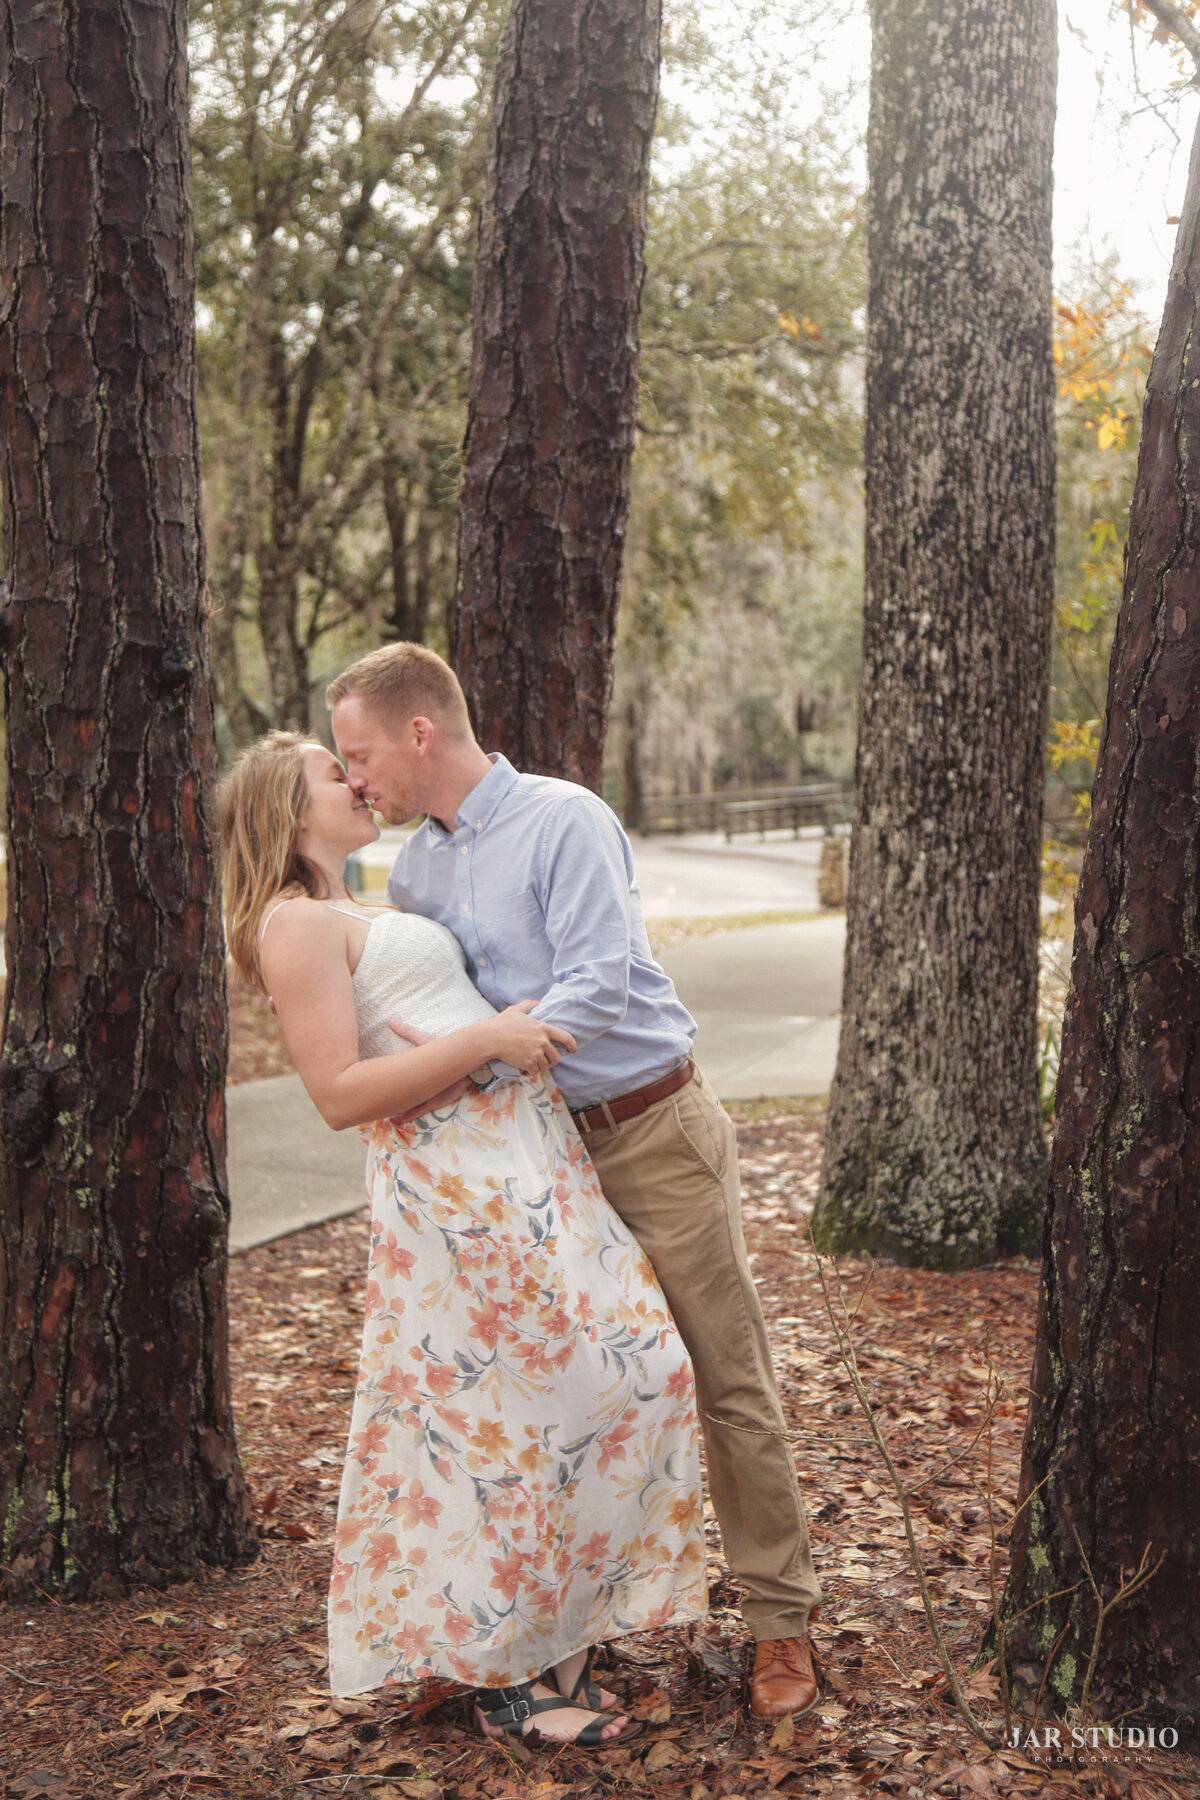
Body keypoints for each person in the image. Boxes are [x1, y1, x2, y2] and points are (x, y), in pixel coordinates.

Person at [327, 643, 824, 1721]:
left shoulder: (564, 819)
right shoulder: (416, 870)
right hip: (536, 1161)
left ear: (421, 731)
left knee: (721, 1375)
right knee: (574, 1393)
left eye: (359, 755)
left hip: (651, 1131)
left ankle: (782, 1624)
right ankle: (575, 1623)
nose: (356, 780)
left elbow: (596, 984)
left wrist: (491, 1051)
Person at [219, 731, 707, 1747]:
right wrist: (486, 1037)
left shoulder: (368, 896)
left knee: (628, 1377)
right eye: (330, 772)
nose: (356, 781)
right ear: (282, 808)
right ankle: (518, 1679)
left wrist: (498, 1030)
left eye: (351, 760)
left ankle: (560, 1639)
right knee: (524, 1418)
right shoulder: (295, 923)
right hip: (456, 1190)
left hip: (526, 1162)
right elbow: (339, 1097)